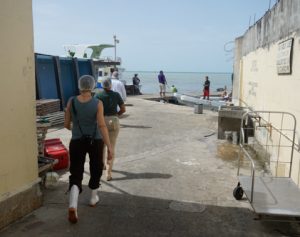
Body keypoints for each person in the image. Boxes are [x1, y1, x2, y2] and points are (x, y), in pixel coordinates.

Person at [64, 75, 113, 224]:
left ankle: (73, 204)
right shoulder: (98, 103)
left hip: (77, 141)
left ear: (80, 86)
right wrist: (110, 147)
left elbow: (66, 124)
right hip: (95, 141)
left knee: (76, 171)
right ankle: (93, 198)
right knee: (96, 168)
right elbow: (102, 125)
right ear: (92, 87)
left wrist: (77, 129)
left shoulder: (71, 101)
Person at [95, 77, 126, 181]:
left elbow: (94, 109)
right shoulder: (116, 95)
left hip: (101, 121)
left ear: (102, 85)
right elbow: (123, 109)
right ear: (110, 85)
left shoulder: (98, 95)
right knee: (111, 147)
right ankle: (108, 173)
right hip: (113, 121)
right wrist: (116, 115)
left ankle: (102, 165)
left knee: (101, 145)